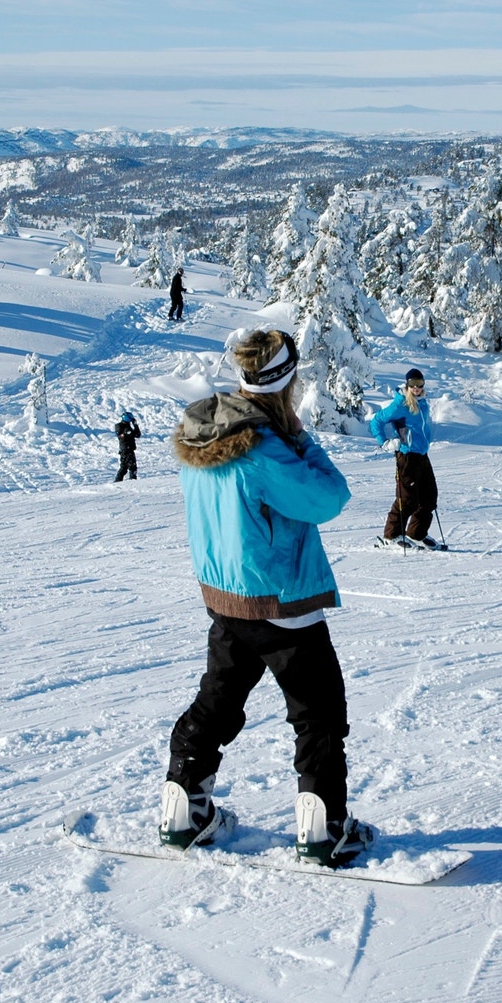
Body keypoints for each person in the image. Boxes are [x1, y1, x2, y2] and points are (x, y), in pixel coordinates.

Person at [160, 328, 374, 868]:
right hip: (281, 604)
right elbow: (328, 498)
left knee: (218, 700)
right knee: (319, 715)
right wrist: (303, 440)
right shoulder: (265, 448)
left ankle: (183, 808)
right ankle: (323, 832)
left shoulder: (206, 432)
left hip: (226, 598)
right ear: (287, 381)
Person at [369, 368, 441, 549]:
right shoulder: (400, 404)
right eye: (413, 384)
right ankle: (391, 536)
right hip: (407, 456)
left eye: (420, 384)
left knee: (429, 497)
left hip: (422, 455)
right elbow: (376, 421)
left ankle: (416, 534)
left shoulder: (422, 402)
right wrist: (385, 442)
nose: (416, 388)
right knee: (407, 499)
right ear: (407, 385)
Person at [114, 411, 141, 482]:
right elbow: (121, 435)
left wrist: (135, 425)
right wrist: (127, 433)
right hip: (125, 450)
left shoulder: (129, 426)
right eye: (130, 418)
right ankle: (130, 481)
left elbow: (137, 434)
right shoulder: (119, 426)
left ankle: (120, 481)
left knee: (126, 467)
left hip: (130, 449)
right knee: (128, 467)